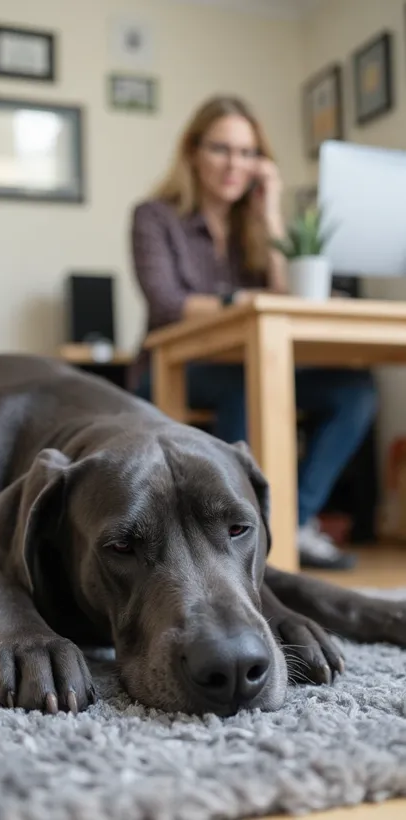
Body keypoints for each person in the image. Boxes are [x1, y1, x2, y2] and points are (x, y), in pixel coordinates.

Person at [129, 94, 377, 570]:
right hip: (173, 367)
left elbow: (287, 295)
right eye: (221, 149)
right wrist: (234, 302)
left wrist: (270, 215)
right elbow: (166, 303)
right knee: (249, 384)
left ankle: (286, 527)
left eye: (247, 153)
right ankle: (230, 535)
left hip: (251, 364)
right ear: (193, 152)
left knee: (355, 391)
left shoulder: (254, 226)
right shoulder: (155, 217)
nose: (234, 164)